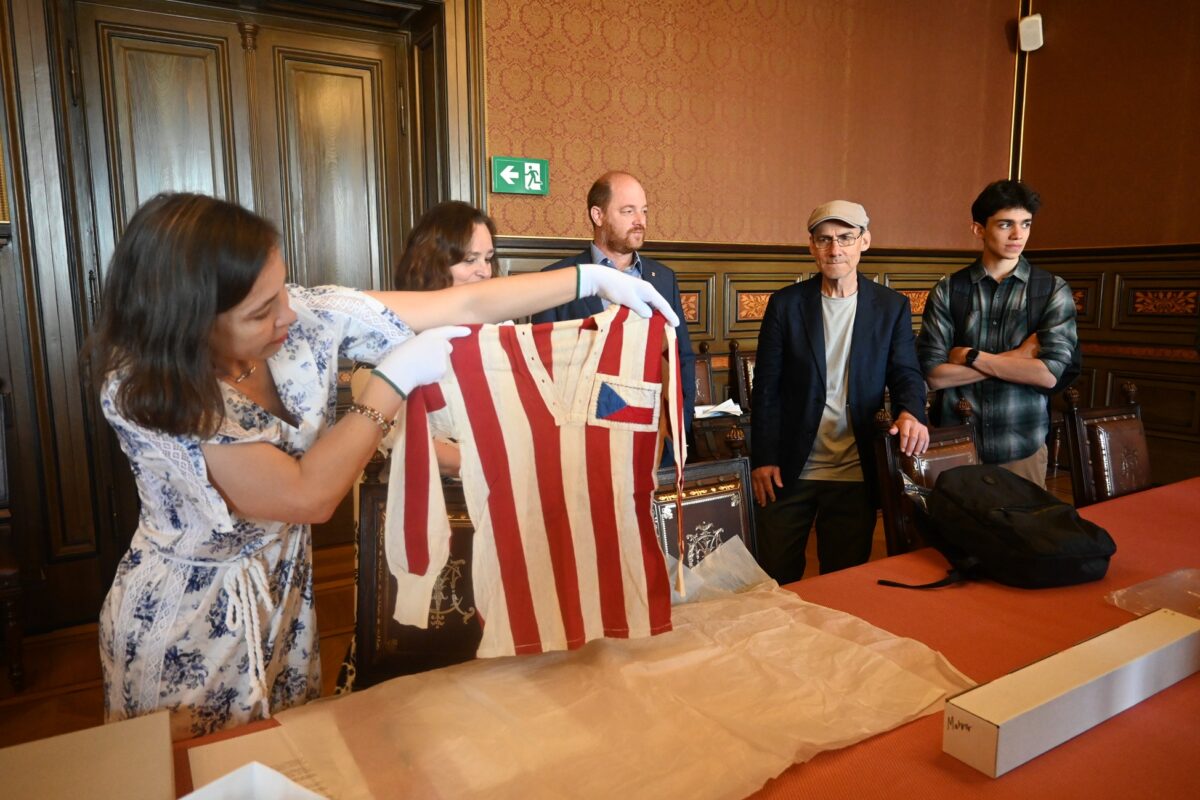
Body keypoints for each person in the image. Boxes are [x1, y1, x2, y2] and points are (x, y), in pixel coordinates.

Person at [86, 192, 677, 739]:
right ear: (190, 322)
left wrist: (589, 277)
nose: (289, 316)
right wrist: (391, 382)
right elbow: (305, 496)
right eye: (262, 311)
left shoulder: (300, 321)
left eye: (284, 290)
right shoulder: (147, 391)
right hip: (191, 615)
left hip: (282, 592)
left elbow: (462, 301)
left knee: (285, 754)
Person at [751, 200, 929, 582]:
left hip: (855, 469)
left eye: (846, 238)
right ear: (811, 246)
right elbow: (766, 387)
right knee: (774, 576)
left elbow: (905, 374)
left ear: (865, 241)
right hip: (788, 468)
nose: (835, 250)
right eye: (825, 239)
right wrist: (763, 458)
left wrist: (910, 412)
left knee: (842, 581)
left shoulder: (890, 307)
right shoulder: (785, 305)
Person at [917, 180, 1077, 488]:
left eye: (1025, 224)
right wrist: (1016, 361)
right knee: (958, 534)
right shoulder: (950, 290)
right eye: (1006, 224)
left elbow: (1048, 376)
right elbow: (935, 376)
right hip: (958, 444)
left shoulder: (1050, 290)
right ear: (979, 229)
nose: (1018, 235)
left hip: (1022, 443)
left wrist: (970, 356)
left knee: (1020, 533)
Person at [530, 171, 696, 441]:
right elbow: (543, 369)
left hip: (654, 436)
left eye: (644, 211)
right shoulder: (558, 279)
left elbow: (682, 357)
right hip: (585, 439)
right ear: (598, 215)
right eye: (628, 211)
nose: (640, 221)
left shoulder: (664, 278)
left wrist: (680, 423)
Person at [393, 200, 500, 475]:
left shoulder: (499, 334)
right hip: (432, 494)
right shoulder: (397, 337)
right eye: (470, 259)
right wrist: (495, 465)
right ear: (433, 263)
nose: (484, 271)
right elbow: (401, 439)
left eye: (487, 259)